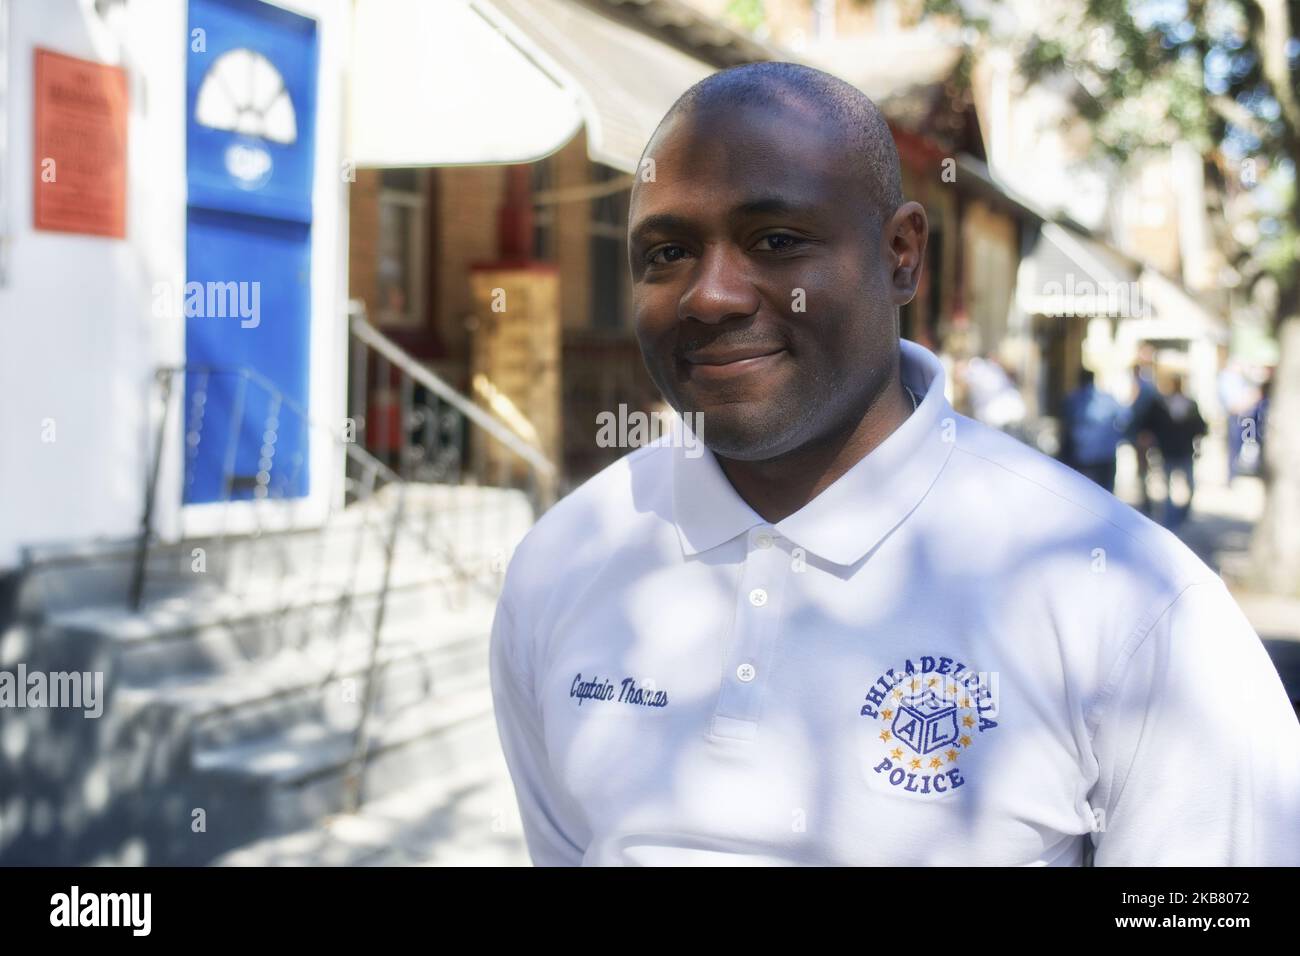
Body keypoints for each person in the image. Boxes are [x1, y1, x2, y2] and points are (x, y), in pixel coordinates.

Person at [488, 62, 1300, 866]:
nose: (713, 296)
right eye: (666, 253)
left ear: (902, 254)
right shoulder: (564, 563)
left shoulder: (1134, 603)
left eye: (775, 240)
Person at [1148, 374, 1208, 529]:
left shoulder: (1189, 405)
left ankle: (1181, 515)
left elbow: (1200, 428)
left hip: (1184, 450)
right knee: (1168, 486)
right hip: (1168, 450)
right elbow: (1151, 426)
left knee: (1189, 485)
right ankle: (1169, 516)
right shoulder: (1161, 404)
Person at [1059, 369, 1123, 492]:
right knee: (1106, 495)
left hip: (1082, 455)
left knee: (1081, 493)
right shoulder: (1108, 398)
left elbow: (1066, 423)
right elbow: (1124, 419)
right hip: (1105, 455)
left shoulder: (1072, 399)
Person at [1124, 360, 1161, 514]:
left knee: (1143, 467)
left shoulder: (1144, 388)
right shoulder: (1146, 386)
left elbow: (1145, 412)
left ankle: (1146, 499)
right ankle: (1145, 498)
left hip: (1142, 432)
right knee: (1142, 467)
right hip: (1141, 432)